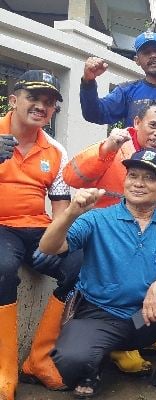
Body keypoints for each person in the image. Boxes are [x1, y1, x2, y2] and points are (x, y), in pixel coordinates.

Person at [40, 149, 156, 397]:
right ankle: (93, 365)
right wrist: (72, 212)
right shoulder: (97, 218)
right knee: (71, 361)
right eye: (133, 175)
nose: (139, 183)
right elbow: (49, 247)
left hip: (145, 318)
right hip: (101, 317)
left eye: (149, 178)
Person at [0, 70, 81, 399]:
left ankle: (38, 358)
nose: (41, 106)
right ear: (14, 99)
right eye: (33, 98)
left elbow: (60, 205)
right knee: (3, 268)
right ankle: (5, 367)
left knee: (78, 263)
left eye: (48, 102)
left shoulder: (56, 151)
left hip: (35, 227)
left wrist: (59, 241)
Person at [63, 100, 156, 218]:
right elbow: (70, 178)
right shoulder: (112, 147)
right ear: (137, 123)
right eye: (153, 125)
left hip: (144, 235)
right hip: (98, 230)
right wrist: (106, 150)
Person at [80, 32, 156, 127]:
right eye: (146, 52)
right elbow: (94, 114)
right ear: (137, 60)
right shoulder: (126, 91)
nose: (153, 56)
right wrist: (88, 82)